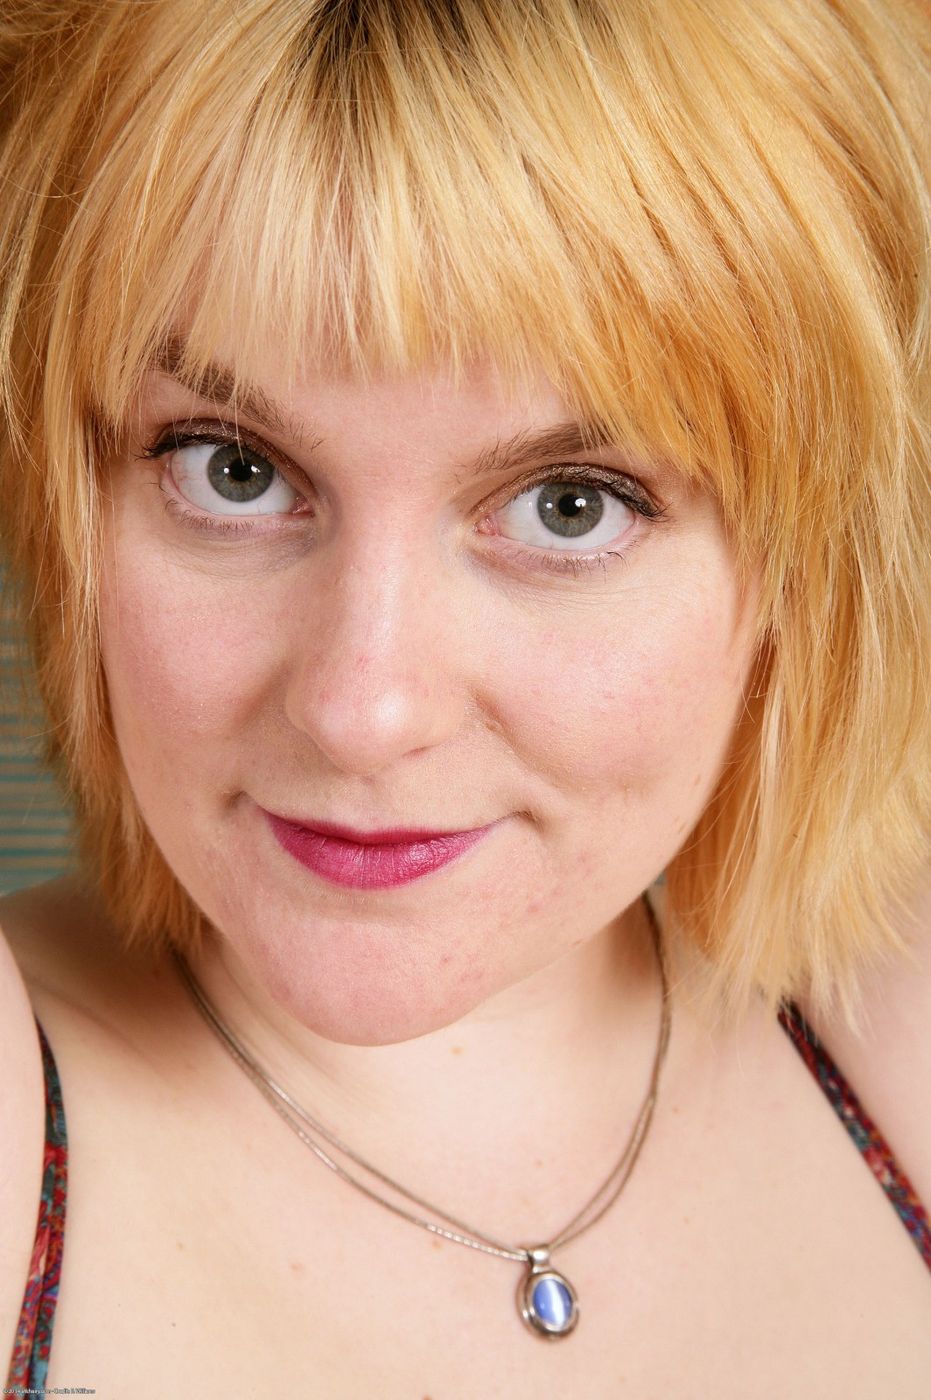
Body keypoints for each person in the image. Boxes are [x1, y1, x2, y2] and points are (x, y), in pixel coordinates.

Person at [0, 0, 929, 1392]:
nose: (361, 710)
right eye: (232, 471)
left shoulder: (893, 1023)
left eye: (571, 505)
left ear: (812, 557)